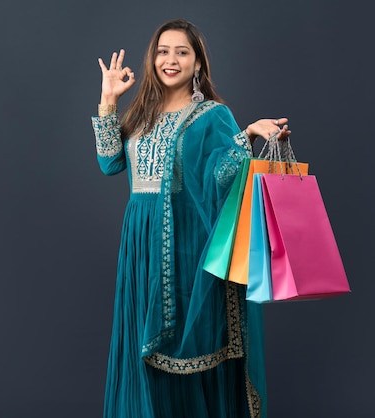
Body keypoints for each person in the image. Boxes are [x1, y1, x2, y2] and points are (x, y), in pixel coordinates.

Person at [91, 18, 290, 418]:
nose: (171, 59)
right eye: (163, 51)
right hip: (139, 244)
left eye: (182, 52)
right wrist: (108, 99)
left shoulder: (212, 115)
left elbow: (222, 176)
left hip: (183, 247)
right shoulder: (142, 113)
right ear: (153, 59)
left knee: (182, 343)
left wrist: (247, 134)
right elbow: (109, 162)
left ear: (197, 63)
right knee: (139, 347)